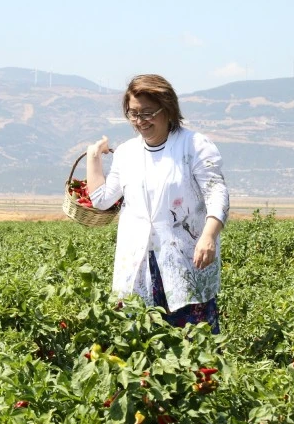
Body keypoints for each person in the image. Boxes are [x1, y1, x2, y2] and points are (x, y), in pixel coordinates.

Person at [87, 74, 229, 334]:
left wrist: (209, 236)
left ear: (168, 110)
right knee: (141, 341)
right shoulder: (127, 153)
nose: (140, 121)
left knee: (194, 342)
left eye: (148, 113)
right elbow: (102, 199)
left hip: (186, 258)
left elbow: (217, 193)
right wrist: (93, 156)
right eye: (133, 114)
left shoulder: (194, 145)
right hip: (139, 262)